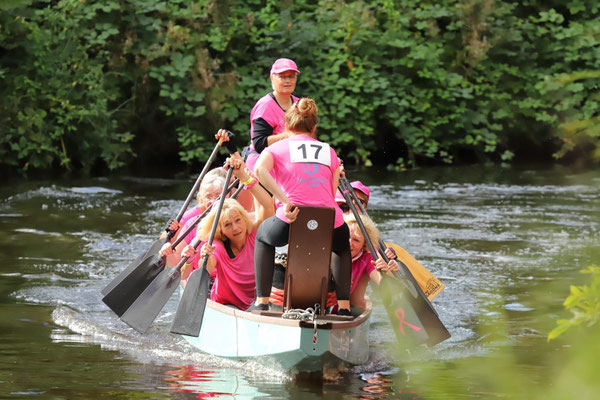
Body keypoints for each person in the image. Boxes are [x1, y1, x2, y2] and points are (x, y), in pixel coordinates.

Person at [250, 97, 352, 315]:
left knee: (262, 236)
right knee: (342, 246)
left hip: (291, 219)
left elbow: (259, 170)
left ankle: (262, 302)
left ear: (286, 127)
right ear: (314, 128)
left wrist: (285, 200)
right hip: (327, 223)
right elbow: (331, 193)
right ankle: (344, 307)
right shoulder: (329, 151)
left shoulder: (276, 148)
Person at [179, 157, 274, 309]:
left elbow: (267, 205)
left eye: (238, 220)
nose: (236, 228)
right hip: (227, 304)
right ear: (221, 230)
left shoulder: (255, 233)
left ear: (245, 218)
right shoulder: (217, 245)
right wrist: (198, 259)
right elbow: (205, 271)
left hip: (254, 303)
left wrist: (245, 177)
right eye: (228, 225)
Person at [335, 180, 445, 301]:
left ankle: (424, 294)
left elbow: (373, 249)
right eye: (347, 204)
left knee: (389, 255)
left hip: (362, 267)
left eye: (359, 202)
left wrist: (389, 260)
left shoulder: (365, 234)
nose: (353, 207)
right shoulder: (331, 218)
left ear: (364, 207)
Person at [244, 58, 300, 171]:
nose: (287, 81)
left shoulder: (299, 104)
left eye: (291, 76)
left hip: (289, 163)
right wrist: (290, 135)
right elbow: (259, 144)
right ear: (272, 78)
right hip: (262, 165)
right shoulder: (265, 106)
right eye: (282, 77)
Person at [343, 213, 399, 314]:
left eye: (356, 240)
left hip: (351, 309)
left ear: (364, 245)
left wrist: (387, 272)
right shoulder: (327, 249)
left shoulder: (368, 258)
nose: (349, 243)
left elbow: (380, 281)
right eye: (346, 236)